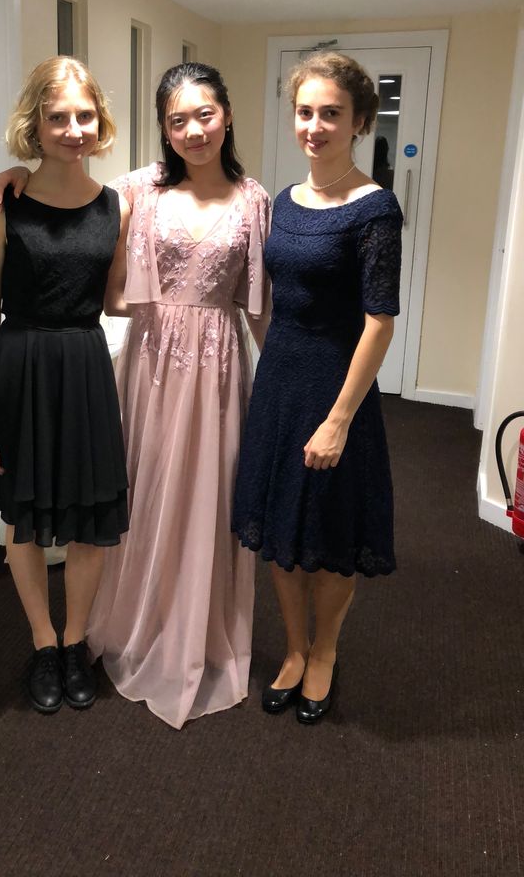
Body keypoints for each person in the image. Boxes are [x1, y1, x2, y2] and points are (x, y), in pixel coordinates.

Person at [0, 62, 270, 729]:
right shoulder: (138, 189)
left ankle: (192, 630)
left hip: (217, 366)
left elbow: (260, 307)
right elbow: (68, 196)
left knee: (205, 496)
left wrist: (283, 382)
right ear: (164, 129)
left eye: (205, 115)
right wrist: (13, 176)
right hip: (150, 363)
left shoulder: (254, 199)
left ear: (227, 115)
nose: (193, 130)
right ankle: (120, 625)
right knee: (136, 494)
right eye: (178, 120)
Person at [232, 51, 402, 724]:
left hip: (338, 388)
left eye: (331, 113)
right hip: (280, 381)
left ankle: (325, 650)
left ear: (359, 121)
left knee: (330, 531)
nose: (315, 125)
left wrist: (338, 419)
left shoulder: (375, 209)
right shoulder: (284, 201)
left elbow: (379, 322)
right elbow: (275, 297)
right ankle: (295, 649)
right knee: (281, 523)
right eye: (305, 111)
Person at [0, 56, 129, 714]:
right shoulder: (4, 203)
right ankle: (42, 643)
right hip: (20, 367)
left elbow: (116, 299)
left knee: (90, 519)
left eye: (84, 116)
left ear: (100, 121)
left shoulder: (116, 205)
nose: (74, 129)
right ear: (34, 123)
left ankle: (74, 642)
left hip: (85, 367)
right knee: (25, 519)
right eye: (58, 117)